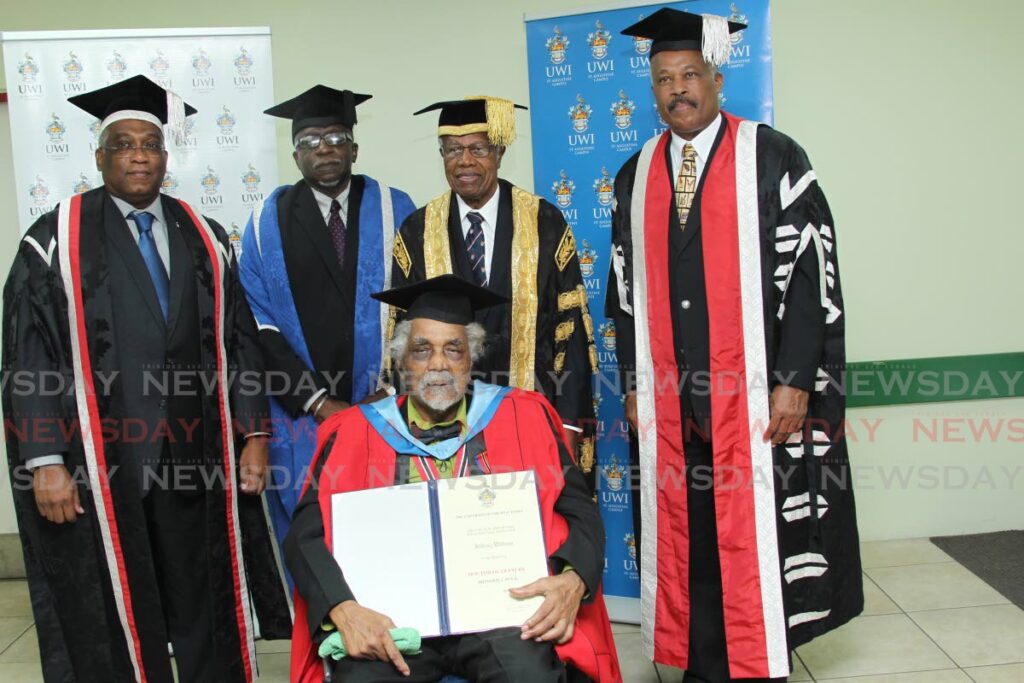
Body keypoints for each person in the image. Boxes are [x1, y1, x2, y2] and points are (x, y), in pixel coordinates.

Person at [1, 75, 290, 683]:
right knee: (114, 613)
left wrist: (255, 434)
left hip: (196, 457)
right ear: (99, 156)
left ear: (165, 155)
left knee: (203, 600)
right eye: (124, 143)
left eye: (151, 143)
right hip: (100, 465)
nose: (139, 154)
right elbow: (30, 357)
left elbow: (238, 343)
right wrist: (45, 458)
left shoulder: (205, 236)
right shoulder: (54, 240)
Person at [605, 8, 862, 682]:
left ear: (717, 79)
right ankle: (704, 660)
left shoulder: (772, 156)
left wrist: (796, 378)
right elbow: (622, 295)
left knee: (755, 530)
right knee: (690, 532)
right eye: (664, 78)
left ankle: (760, 658)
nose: (678, 89)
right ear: (651, 90)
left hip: (754, 398)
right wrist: (634, 382)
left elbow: (808, 275)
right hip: (673, 402)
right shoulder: (636, 174)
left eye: (691, 74)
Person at [285, 275, 620, 683]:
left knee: (530, 675)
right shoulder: (354, 432)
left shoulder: (524, 416)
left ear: (472, 357)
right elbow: (305, 535)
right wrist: (343, 608)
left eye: (453, 350)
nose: (438, 364)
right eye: (422, 350)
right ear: (402, 360)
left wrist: (573, 580)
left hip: (501, 617)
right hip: (395, 621)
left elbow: (581, 513)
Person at [239, 84, 415, 552]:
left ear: (354, 148)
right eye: (310, 141)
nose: (324, 150)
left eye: (336, 138)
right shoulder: (265, 221)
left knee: (387, 532)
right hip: (301, 412)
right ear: (295, 154)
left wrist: (389, 388)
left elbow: (416, 310)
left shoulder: (395, 208)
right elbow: (259, 325)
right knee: (314, 532)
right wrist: (317, 401)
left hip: (383, 405)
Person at [390, 97, 598, 488]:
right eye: (453, 150)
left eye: (478, 149)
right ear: (441, 155)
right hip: (443, 424)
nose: (465, 161)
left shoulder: (544, 222)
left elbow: (571, 330)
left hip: (530, 416)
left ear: (500, 152)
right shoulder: (417, 230)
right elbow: (400, 337)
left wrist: (568, 422)